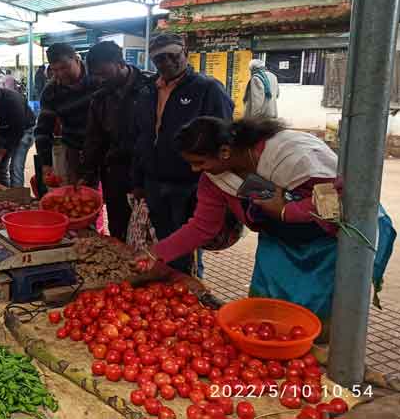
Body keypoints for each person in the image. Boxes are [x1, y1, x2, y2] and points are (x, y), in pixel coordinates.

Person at [134, 116, 396, 320]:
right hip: (279, 244)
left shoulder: (291, 155)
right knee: (267, 309)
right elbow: (202, 227)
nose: (195, 170)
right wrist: (157, 252)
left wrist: (286, 211)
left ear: (225, 152)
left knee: (313, 312)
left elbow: (338, 204)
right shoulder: (215, 179)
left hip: (324, 245)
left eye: (200, 162)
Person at [132, 33, 233, 276]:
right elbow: (140, 136)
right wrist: (138, 178)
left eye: (172, 56)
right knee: (163, 238)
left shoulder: (207, 89)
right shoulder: (147, 91)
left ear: (185, 52)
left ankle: (189, 288)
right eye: (159, 59)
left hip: (189, 182)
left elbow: (223, 136)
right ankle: (166, 288)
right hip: (154, 181)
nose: (167, 62)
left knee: (188, 242)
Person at [80, 41, 152, 239]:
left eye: (103, 73)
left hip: (148, 176)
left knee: (150, 234)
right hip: (115, 174)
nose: (100, 79)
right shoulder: (100, 98)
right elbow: (94, 138)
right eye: (95, 74)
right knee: (119, 227)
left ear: (120, 63)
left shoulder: (151, 88)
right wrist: (88, 172)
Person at [35, 43, 97, 185]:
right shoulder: (51, 91)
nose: (60, 74)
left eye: (64, 67)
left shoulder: (97, 77)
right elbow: (43, 130)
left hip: (105, 147)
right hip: (74, 148)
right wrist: (46, 162)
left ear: (76, 59)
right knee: (77, 193)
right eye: (55, 70)